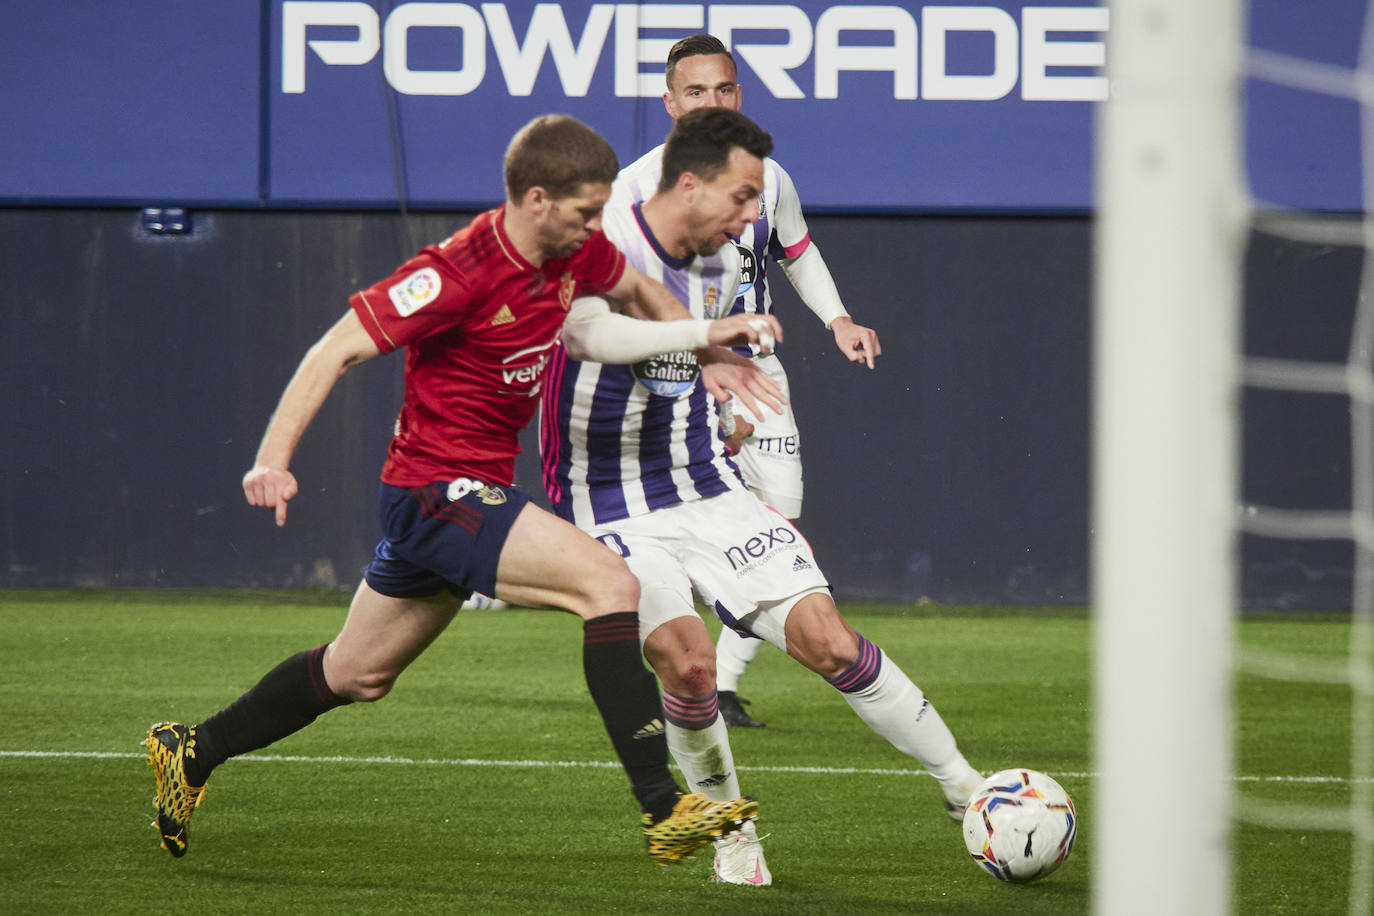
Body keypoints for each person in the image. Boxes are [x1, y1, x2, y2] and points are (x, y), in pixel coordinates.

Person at [143, 114, 789, 867]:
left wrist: (703, 350)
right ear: (538, 198)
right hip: (432, 490)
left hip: (465, 495)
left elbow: (642, 289)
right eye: (585, 211)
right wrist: (272, 459)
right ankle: (663, 807)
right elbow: (336, 348)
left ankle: (192, 750)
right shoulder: (458, 270)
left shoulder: (577, 249)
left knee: (358, 674)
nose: (595, 227)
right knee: (608, 584)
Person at [540, 107, 984, 887]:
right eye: (743, 200)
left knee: (830, 640)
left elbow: (676, 371)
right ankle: (731, 833)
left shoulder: (715, 264)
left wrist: (714, 390)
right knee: (689, 663)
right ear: (691, 184)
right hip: (609, 503)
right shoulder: (605, 246)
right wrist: (695, 342)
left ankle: (968, 791)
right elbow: (588, 336)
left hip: (705, 482)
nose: (754, 218)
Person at [611, 34, 883, 729]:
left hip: (757, 369)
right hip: (670, 370)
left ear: (739, 95)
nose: (710, 101)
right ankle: (676, 676)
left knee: (778, 526)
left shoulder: (770, 176)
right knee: (663, 531)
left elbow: (797, 249)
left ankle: (720, 684)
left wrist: (839, 320)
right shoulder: (636, 189)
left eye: (723, 89)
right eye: (695, 91)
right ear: (669, 102)